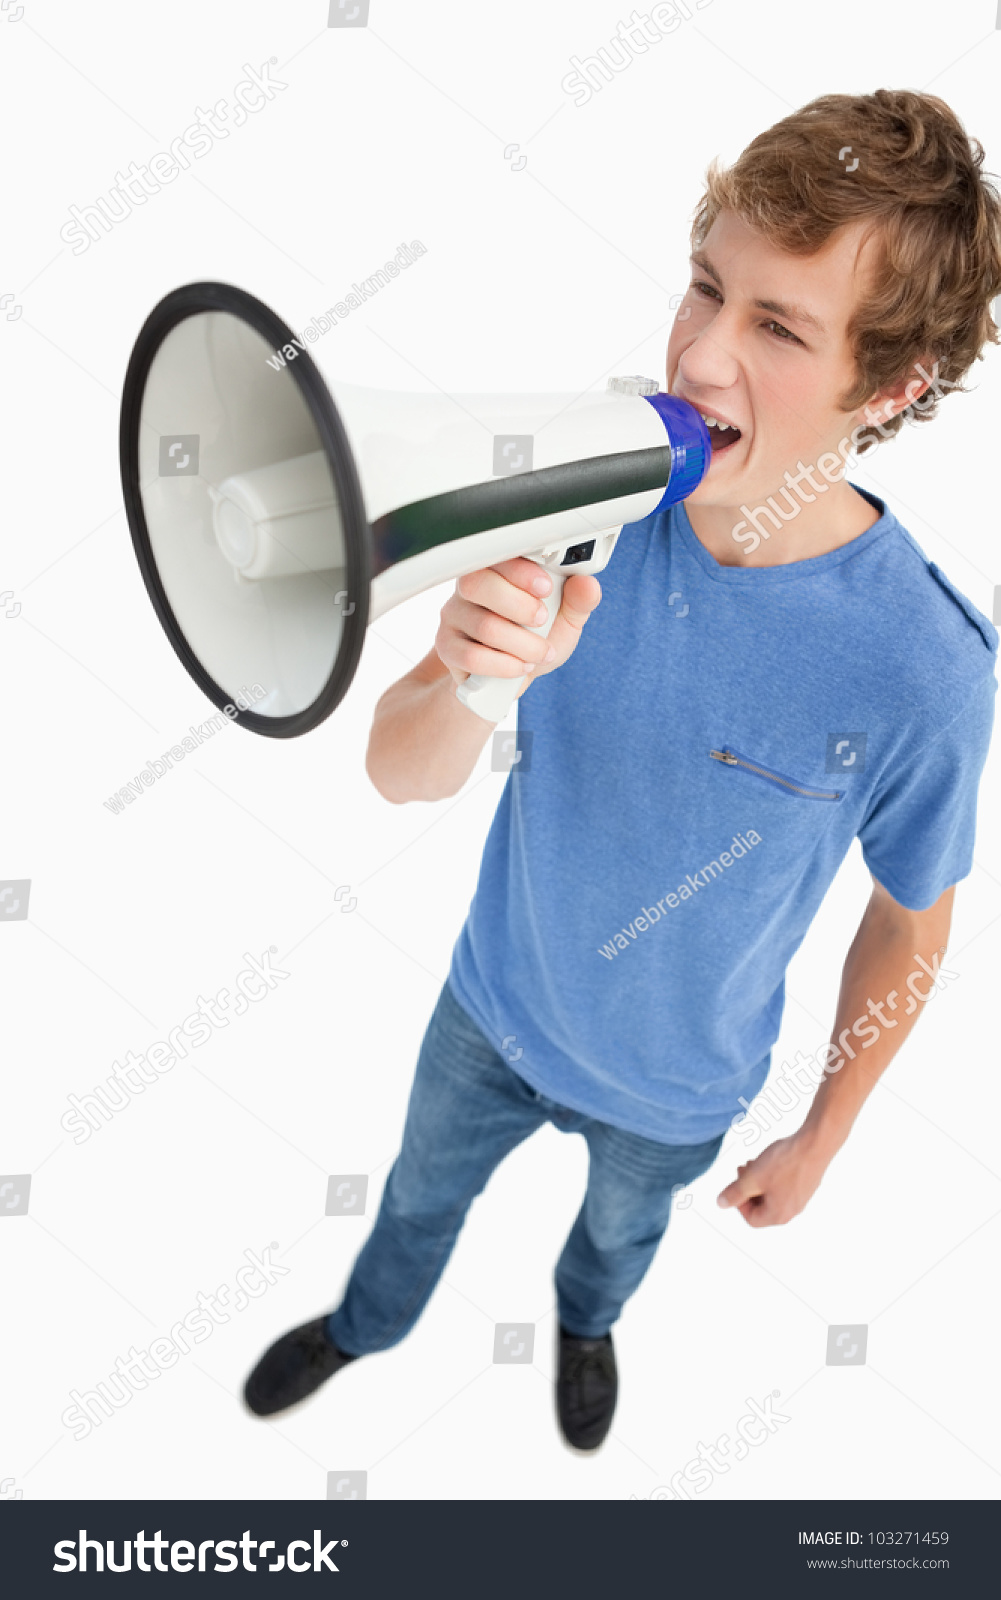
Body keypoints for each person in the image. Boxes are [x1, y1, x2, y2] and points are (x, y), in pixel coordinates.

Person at [244, 88, 1001, 1454]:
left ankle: (582, 1329)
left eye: (776, 328)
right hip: (490, 1010)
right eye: (706, 289)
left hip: (677, 1095)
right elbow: (402, 777)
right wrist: (473, 678)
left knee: (613, 1246)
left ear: (888, 390)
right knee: (414, 1204)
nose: (701, 357)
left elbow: (910, 920)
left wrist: (820, 1135)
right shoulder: (578, 491)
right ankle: (366, 1326)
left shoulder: (923, 668)